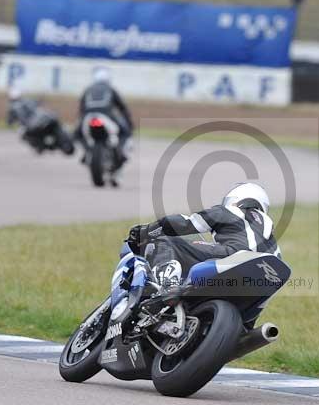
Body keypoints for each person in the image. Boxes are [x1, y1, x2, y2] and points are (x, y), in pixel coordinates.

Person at [127, 182, 281, 290]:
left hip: (232, 256)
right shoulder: (270, 235)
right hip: (265, 276)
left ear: (235, 199)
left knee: (166, 241)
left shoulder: (234, 211)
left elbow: (185, 224)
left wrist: (147, 230)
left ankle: (167, 285)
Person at [76, 68, 134, 162]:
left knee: (77, 134)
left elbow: (81, 109)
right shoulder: (110, 89)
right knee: (125, 132)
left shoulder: (88, 89)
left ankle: (86, 152)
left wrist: (80, 122)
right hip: (106, 115)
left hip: (88, 116)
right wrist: (130, 124)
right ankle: (121, 152)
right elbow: (123, 108)